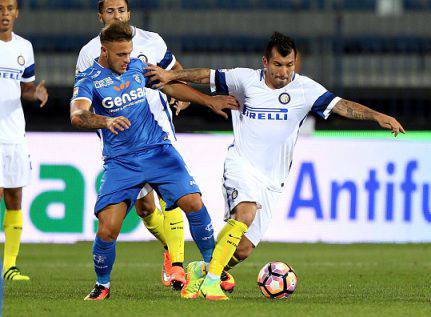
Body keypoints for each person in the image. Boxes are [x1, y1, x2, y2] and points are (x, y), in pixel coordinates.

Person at [145, 32, 406, 300]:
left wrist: (377, 116)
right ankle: (211, 282)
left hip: (273, 180)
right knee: (244, 213)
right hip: (241, 164)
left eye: (289, 65)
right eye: (278, 65)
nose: (284, 72)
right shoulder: (245, 80)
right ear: (265, 62)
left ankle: (202, 269)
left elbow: (342, 106)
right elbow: (204, 75)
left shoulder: (305, 89)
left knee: (243, 249)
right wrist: (170, 76)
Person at [70, 22, 239, 300]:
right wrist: (106, 120)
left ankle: (214, 269)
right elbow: (78, 115)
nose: (128, 60)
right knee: (108, 228)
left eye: (129, 53)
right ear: (104, 51)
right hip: (121, 161)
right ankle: (102, 285)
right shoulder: (89, 80)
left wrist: (208, 102)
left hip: (158, 150)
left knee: (194, 203)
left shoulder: (137, 67)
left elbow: (170, 87)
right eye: (121, 55)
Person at [76, 0, 191, 290]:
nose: (117, 15)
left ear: (129, 13)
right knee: (144, 207)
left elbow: (174, 69)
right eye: (110, 11)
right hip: (122, 139)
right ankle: (171, 248)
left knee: (170, 192)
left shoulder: (152, 41)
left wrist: (181, 94)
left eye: (121, 10)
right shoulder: (89, 53)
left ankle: (177, 265)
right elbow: (85, 101)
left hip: (157, 124)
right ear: (100, 15)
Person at [0, 0, 48, 281]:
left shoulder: (24, 47)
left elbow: (25, 88)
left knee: (14, 197)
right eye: (0, 8)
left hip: (15, 134)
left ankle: (9, 266)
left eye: (9, 8)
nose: (4, 14)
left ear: (17, 13)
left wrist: (36, 95)